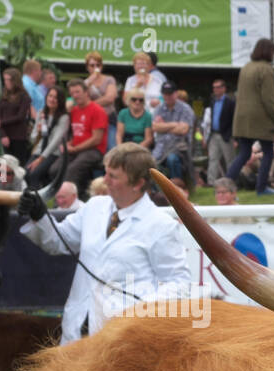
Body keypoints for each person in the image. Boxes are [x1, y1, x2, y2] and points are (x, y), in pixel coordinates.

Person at [17, 142, 191, 345]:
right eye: (105, 172)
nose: (104, 180)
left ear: (138, 184)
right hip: (77, 327)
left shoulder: (161, 226)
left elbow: (179, 283)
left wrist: (140, 310)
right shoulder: (94, 207)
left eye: (113, 176)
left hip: (124, 335)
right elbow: (58, 241)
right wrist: (40, 216)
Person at [228, 37, 274, 196]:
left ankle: (225, 185)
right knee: (268, 152)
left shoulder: (246, 67)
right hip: (259, 119)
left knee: (244, 153)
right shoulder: (266, 69)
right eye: (273, 52)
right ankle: (262, 188)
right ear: (268, 52)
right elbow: (268, 99)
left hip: (241, 118)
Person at [62, 78, 109, 195]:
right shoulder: (74, 110)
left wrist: (75, 149)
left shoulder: (98, 110)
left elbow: (96, 139)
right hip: (76, 148)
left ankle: (68, 200)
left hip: (94, 150)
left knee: (72, 170)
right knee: (55, 169)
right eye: (72, 93)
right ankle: (77, 193)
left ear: (86, 92)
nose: (75, 96)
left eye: (77, 92)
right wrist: (68, 144)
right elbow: (75, 133)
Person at [150, 83, 195, 188]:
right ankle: (156, 191)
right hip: (160, 147)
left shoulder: (185, 108)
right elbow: (155, 127)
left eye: (170, 94)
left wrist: (163, 126)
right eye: (165, 94)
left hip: (179, 147)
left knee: (172, 159)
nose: (168, 96)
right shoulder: (159, 108)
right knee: (151, 163)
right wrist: (175, 124)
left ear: (176, 94)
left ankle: (177, 189)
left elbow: (183, 130)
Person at [27, 87, 70, 189]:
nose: (52, 99)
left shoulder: (64, 117)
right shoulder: (41, 113)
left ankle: (37, 199)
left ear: (60, 100)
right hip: (39, 150)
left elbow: (55, 141)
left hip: (52, 153)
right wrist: (38, 131)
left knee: (34, 174)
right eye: (50, 96)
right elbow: (32, 140)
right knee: (25, 173)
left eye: (55, 97)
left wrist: (40, 159)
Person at [83, 51, 119, 151]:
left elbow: (110, 98)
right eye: (92, 65)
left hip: (108, 118)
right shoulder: (85, 83)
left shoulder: (109, 79)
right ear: (87, 67)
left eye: (98, 65)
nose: (95, 68)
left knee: (112, 147)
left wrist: (90, 104)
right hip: (93, 121)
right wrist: (89, 81)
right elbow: (81, 100)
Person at [0, 68, 32, 164]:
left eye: (8, 80)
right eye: (5, 79)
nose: (6, 82)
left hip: (19, 136)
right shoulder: (4, 95)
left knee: (18, 164)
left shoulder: (24, 97)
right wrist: (3, 135)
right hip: (6, 135)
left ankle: (19, 179)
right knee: (5, 164)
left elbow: (21, 116)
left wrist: (2, 122)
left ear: (15, 81)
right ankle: (3, 179)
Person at [204, 79, 237, 184]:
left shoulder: (230, 102)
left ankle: (231, 181)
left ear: (224, 88)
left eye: (218, 87)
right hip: (214, 134)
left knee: (230, 160)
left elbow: (234, 120)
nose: (215, 90)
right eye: (214, 87)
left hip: (226, 135)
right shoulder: (213, 101)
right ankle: (211, 182)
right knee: (213, 158)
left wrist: (233, 136)